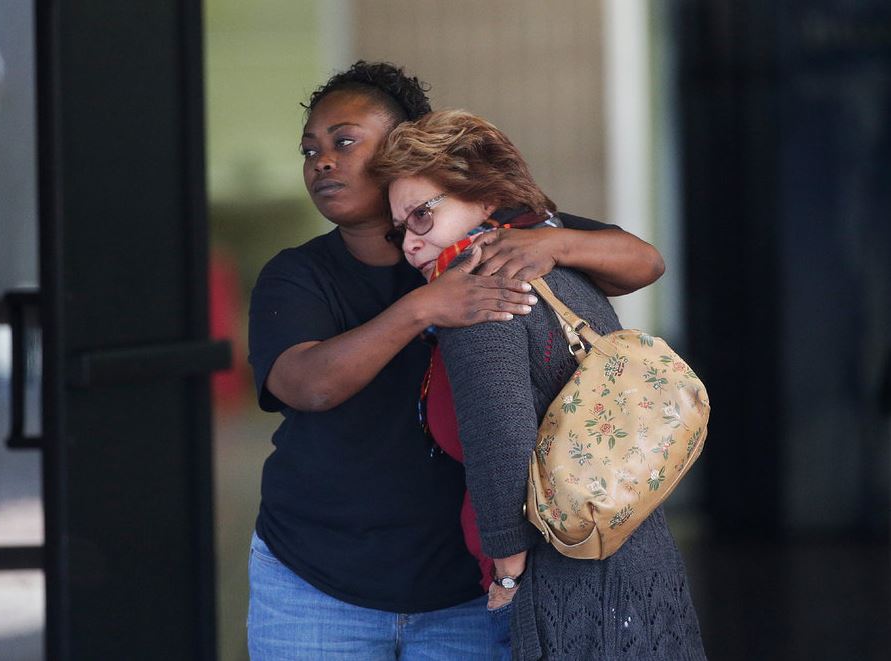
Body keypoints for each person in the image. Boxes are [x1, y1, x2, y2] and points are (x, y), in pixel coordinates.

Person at [246, 61, 666, 660]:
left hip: (468, 592)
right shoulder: (298, 274)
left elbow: (643, 262)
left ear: (403, 149)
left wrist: (550, 241)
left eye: (344, 141)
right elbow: (305, 384)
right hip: (315, 583)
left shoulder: (487, 237)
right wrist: (424, 308)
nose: (322, 161)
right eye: (310, 149)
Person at [370, 108, 706, 660]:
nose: (409, 244)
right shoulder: (552, 263)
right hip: (636, 553)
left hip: (562, 578)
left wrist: (506, 572)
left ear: (482, 196)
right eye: (399, 229)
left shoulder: (481, 286)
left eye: (423, 216)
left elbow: (500, 438)